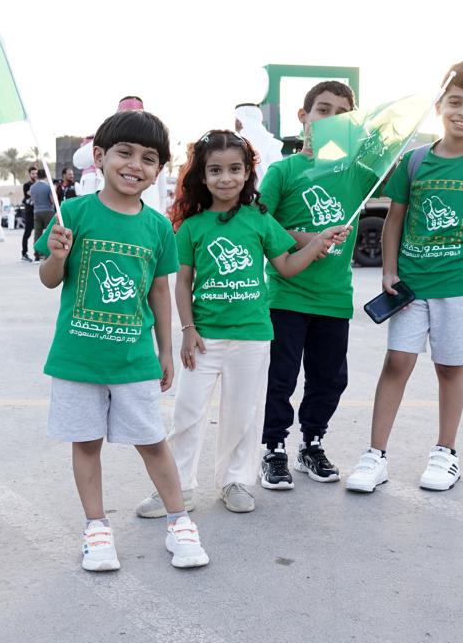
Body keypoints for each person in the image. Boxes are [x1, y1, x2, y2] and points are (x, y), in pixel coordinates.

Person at [135, 130, 349, 517]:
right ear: (202, 175)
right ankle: (175, 487)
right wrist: (188, 329)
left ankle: (235, 480)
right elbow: (182, 282)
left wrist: (317, 245)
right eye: (215, 170)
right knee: (187, 415)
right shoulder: (193, 226)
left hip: (252, 337)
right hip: (204, 339)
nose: (226, 178)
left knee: (242, 415)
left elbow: (285, 266)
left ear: (248, 172)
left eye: (235, 169)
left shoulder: (260, 219)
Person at [34, 109, 209, 572]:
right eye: (124, 153)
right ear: (99, 157)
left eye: (148, 158)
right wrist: (56, 256)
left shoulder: (156, 227)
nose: (135, 165)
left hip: (134, 359)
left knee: (153, 441)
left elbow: (159, 291)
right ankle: (96, 528)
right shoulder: (72, 212)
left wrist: (166, 349)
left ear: (159, 170)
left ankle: (179, 522)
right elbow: (50, 279)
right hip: (77, 358)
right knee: (85, 442)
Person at [344, 60, 463, 493]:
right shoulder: (414, 161)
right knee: (398, 363)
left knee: (448, 367)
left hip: (461, 288)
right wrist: (388, 269)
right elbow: (394, 222)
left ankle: (446, 454)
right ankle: (375, 456)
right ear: (440, 105)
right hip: (411, 286)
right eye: (456, 102)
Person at [258, 80, 370, 490]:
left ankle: (312, 443)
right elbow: (260, 221)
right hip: (286, 296)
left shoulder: (358, 172)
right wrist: (310, 239)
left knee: (328, 380)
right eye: (323, 110)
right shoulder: (284, 170)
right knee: (280, 378)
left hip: (334, 300)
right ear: (304, 117)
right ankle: (273, 448)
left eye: (343, 113)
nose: (331, 118)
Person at [234, 102, 284, 180]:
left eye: (236, 119)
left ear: (241, 122)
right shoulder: (271, 142)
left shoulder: (240, 142)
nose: (234, 123)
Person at [29, 169, 55, 261]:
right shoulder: (48, 186)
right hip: (48, 210)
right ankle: (47, 254)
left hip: (36, 211)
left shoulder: (32, 187)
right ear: (46, 175)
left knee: (37, 233)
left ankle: (36, 254)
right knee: (49, 232)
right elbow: (52, 200)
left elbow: (32, 199)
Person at [20, 165, 37, 261]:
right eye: (33, 174)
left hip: (38, 212)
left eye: (36, 173)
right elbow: (28, 196)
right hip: (29, 212)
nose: (34, 175)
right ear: (29, 174)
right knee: (27, 233)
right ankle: (24, 253)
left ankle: (39, 253)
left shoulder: (40, 183)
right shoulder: (27, 185)